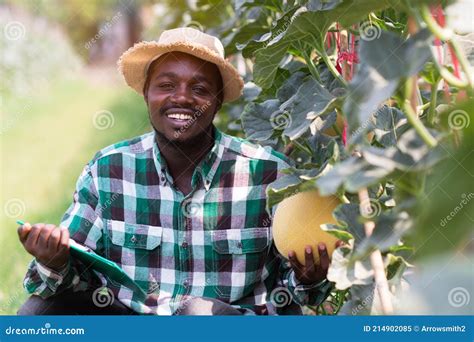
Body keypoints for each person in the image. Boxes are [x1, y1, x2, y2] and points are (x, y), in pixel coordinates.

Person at [17, 27, 337, 316]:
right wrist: (54, 260)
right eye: (166, 85)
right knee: (37, 315)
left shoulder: (266, 172)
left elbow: (297, 293)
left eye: (199, 89)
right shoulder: (108, 170)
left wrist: (308, 277)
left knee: (197, 312)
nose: (182, 97)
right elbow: (70, 278)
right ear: (146, 94)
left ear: (218, 101)